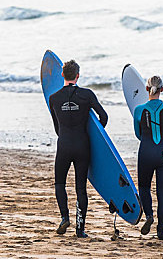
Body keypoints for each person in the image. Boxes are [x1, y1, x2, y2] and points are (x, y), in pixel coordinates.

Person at [49, 59, 108, 238]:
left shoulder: (53, 98)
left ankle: (64, 217)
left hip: (64, 145)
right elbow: (103, 117)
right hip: (83, 145)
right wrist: (95, 137)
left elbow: (57, 127)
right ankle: (80, 229)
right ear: (78, 75)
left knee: (60, 183)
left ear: (62, 75)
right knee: (80, 188)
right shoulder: (87, 95)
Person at [133, 75, 163, 240]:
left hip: (146, 152)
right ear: (162, 89)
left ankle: (149, 216)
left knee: (144, 187)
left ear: (147, 89)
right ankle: (161, 232)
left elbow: (138, 134)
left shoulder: (138, 110)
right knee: (162, 192)